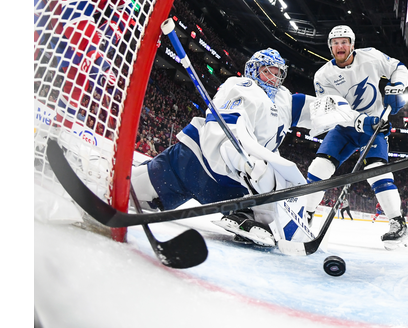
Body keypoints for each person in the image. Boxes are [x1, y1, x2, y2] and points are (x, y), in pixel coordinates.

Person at [130, 48, 325, 247]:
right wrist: (244, 159)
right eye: (267, 71)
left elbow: (315, 109)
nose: (273, 78)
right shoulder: (241, 86)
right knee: (137, 190)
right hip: (194, 163)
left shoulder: (284, 99)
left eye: (277, 73)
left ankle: (246, 216)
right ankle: (120, 180)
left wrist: (349, 116)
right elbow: (228, 124)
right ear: (254, 70)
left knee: (277, 175)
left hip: (230, 188)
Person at [303, 25, 408, 250]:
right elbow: (333, 111)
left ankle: (398, 224)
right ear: (330, 47)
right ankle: (305, 215)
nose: (340, 46)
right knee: (320, 167)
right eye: (335, 43)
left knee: (377, 171)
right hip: (344, 127)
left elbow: (398, 67)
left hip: (375, 125)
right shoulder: (323, 76)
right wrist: (362, 122)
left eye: (344, 42)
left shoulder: (370, 56)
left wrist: (398, 87)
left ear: (352, 44)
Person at [34, 0, 134, 128]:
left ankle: (59, 129)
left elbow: (125, 10)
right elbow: (75, 16)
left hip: (73, 18)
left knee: (81, 71)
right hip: (46, 3)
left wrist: (110, 33)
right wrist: (95, 54)